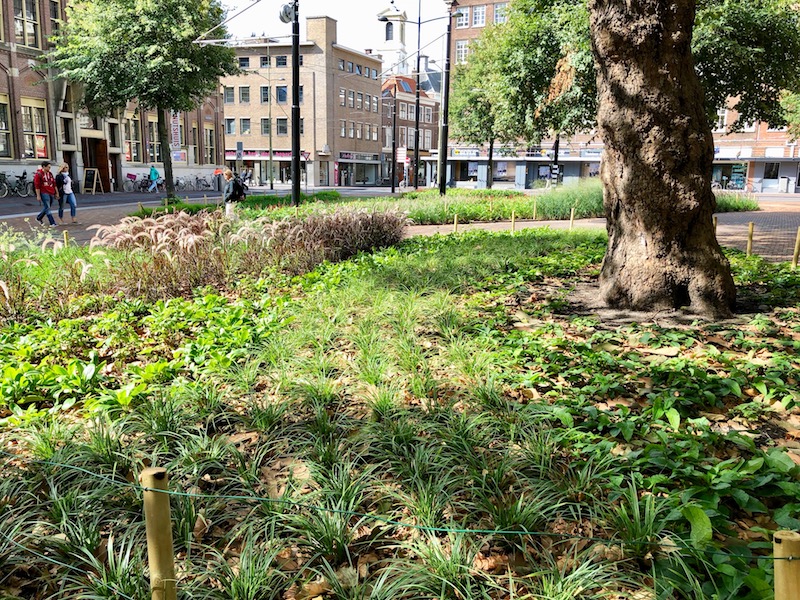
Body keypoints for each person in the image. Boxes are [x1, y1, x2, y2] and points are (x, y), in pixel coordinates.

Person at [34, 161, 57, 227]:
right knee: (47, 207)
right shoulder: (38, 174)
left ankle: (39, 217)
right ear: (44, 167)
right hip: (44, 192)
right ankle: (52, 222)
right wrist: (38, 195)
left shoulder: (50, 174)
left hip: (51, 192)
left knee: (47, 207)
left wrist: (56, 192)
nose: (49, 168)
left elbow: (54, 183)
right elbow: (37, 186)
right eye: (48, 167)